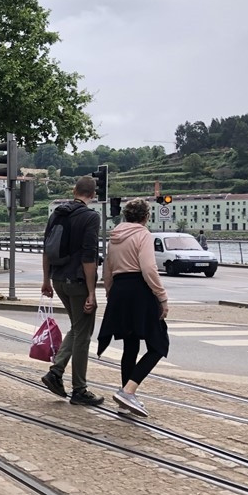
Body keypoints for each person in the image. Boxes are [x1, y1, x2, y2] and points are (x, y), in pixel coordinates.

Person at [97, 198, 169, 417]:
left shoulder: (115, 236)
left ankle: (125, 397)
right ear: (146, 217)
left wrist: (111, 294)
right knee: (159, 344)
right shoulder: (142, 234)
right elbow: (148, 268)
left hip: (119, 290)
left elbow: (107, 270)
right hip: (139, 290)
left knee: (131, 345)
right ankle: (129, 390)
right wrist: (161, 296)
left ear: (126, 216)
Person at [40, 176, 104, 406]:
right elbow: (89, 257)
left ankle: (56, 372)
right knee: (84, 334)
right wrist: (91, 292)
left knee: (77, 327)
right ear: (93, 195)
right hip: (77, 281)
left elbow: (47, 249)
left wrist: (46, 280)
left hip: (58, 279)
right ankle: (79, 389)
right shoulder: (90, 217)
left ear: (74, 190)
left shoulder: (57, 213)